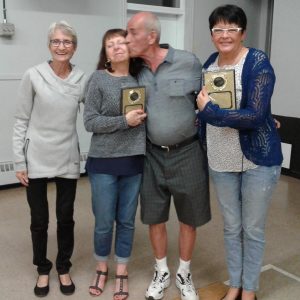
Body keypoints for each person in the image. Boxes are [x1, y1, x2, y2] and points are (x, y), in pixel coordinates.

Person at [196, 5, 282, 300]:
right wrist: (204, 114)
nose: (225, 35)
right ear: (211, 35)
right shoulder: (209, 64)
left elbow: (255, 116)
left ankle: (250, 290)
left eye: (232, 29)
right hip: (220, 157)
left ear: (243, 33)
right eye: (218, 29)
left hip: (257, 158)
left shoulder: (258, 62)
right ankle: (235, 284)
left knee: (253, 229)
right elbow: (201, 108)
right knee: (232, 228)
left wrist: (212, 113)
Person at [126, 12, 211, 300]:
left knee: (189, 217)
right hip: (151, 154)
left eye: (132, 32)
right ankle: (161, 270)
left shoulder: (188, 61)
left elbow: (217, 94)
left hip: (187, 151)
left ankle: (183, 273)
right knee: (154, 216)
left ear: (151, 36)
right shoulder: (134, 69)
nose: (127, 38)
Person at [12, 21, 86, 297]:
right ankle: (43, 269)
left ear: (75, 47)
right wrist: (19, 161)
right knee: (39, 219)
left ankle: (63, 266)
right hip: (36, 155)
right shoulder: (33, 75)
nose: (61, 46)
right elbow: (21, 120)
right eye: (56, 41)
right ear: (49, 45)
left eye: (67, 42)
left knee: (66, 217)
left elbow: (93, 113)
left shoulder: (81, 78)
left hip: (67, 153)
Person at [83, 28, 146, 300]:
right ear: (105, 52)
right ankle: (101, 267)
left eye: (122, 42)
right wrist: (124, 121)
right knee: (104, 221)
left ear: (131, 48)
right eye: (111, 44)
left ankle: (121, 269)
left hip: (134, 161)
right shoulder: (97, 79)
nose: (117, 47)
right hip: (103, 162)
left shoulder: (141, 78)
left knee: (127, 221)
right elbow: (90, 122)